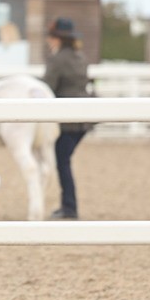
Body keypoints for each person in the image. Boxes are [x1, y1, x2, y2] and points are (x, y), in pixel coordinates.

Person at [44, 17, 92, 219]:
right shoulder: (79, 57)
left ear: (57, 39)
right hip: (84, 119)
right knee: (64, 160)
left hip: (68, 121)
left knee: (62, 161)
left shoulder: (57, 59)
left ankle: (70, 207)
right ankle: (67, 204)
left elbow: (48, 87)